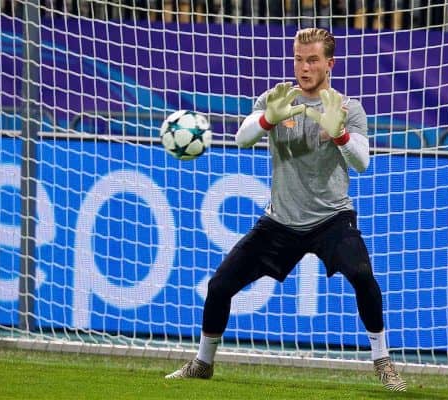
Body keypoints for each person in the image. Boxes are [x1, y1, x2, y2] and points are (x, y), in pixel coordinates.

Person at [165, 27, 406, 392]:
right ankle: (203, 362)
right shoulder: (277, 98)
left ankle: (383, 362)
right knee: (219, 285)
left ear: (330, 63)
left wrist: (339, 134)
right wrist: (267, 119)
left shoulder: (347, 108)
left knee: (362, 275)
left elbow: (363, 163)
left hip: (332, 218)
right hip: (279, 220)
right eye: (298, 59)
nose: (303, 67)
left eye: (312, 60)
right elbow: (241, 137)